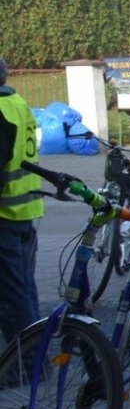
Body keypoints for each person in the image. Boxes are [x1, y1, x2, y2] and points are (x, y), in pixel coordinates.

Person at [0, 57, 41, 346]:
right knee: (24, 289)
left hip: (5, 216)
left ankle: (24, 362)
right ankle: (35, 356)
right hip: (25, 212)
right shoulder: (16, 103)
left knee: (11, 296)